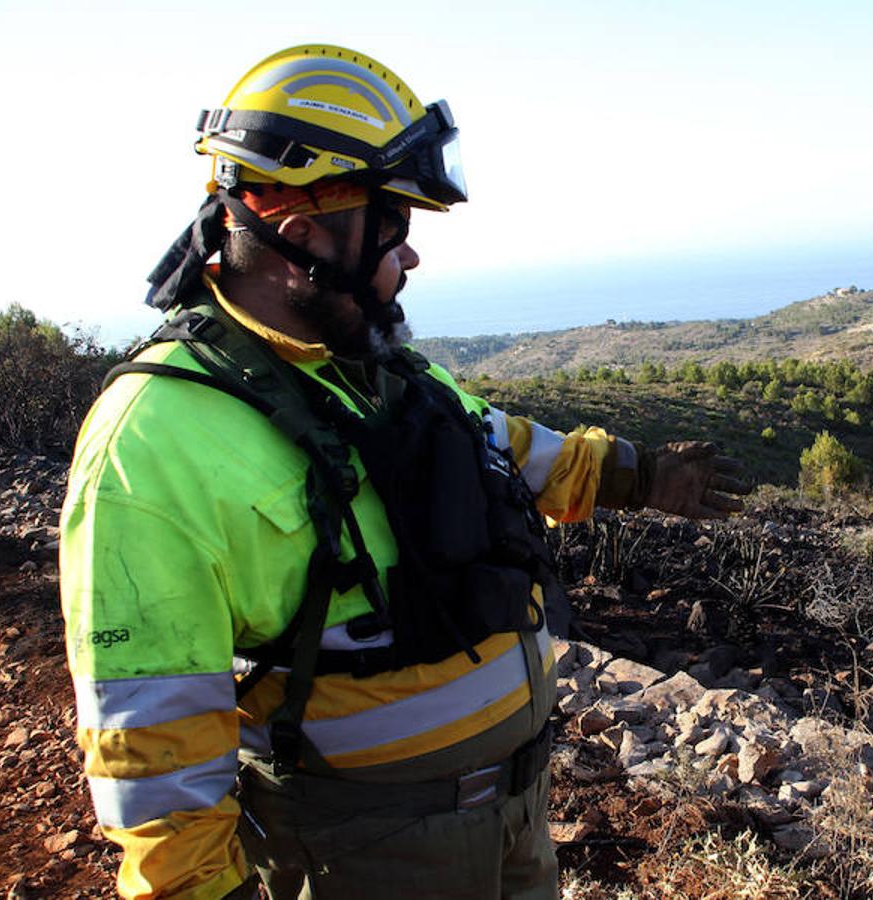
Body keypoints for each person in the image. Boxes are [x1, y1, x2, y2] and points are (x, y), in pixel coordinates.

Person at [60, 44, 749, 900]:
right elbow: (149, 738)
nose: (410, 259)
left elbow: (503, 446)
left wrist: (637, 476)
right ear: (303, 230)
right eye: (394, 228)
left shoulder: (376, 366)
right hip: (362, 855)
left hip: (514, 818)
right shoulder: (153, 442)